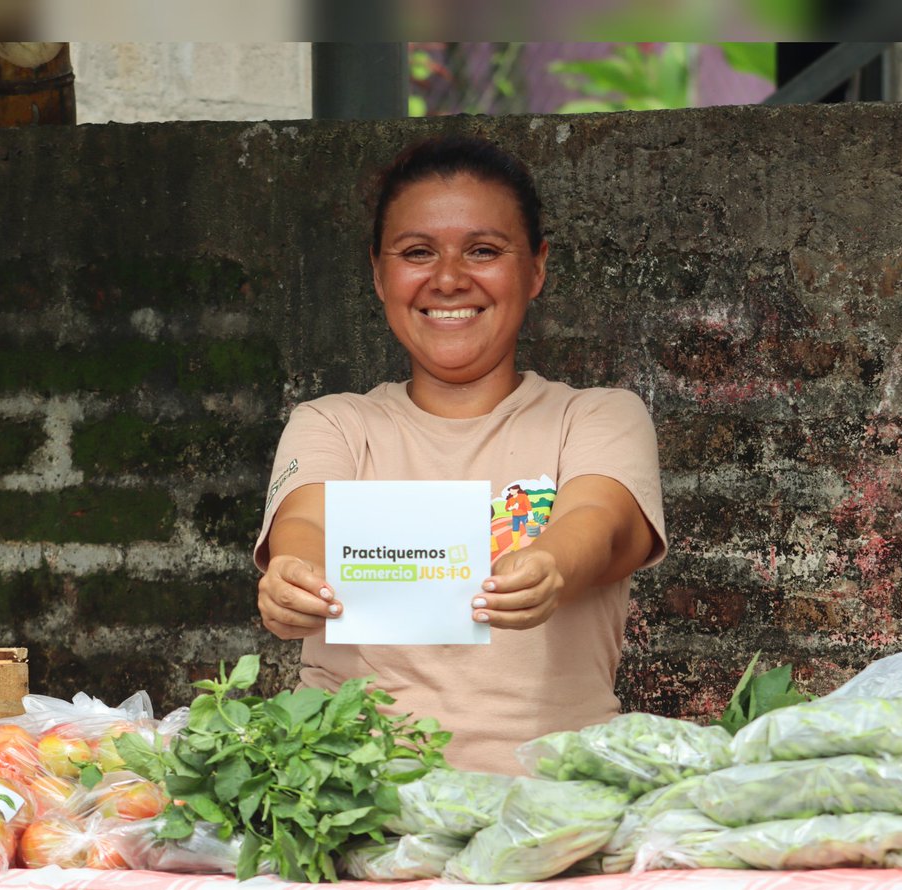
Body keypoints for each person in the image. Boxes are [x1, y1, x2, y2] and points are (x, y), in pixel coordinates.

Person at [254, 134, 667, 775]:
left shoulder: (596, 417)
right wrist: (292, 577)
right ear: (378, 272)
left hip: (554, 802)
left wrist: (550, 566)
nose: (448, 280)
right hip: (346, 798)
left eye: (483, 251)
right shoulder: (334, 423)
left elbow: (602, 523)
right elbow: (305, 525)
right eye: (417, 253)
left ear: (536, 267)